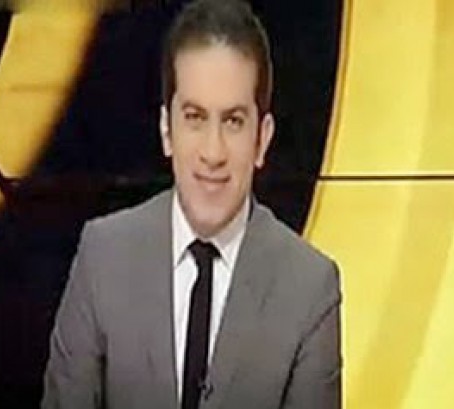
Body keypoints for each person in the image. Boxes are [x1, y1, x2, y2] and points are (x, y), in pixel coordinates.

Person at [41, 0, 342, 408]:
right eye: (195, 118)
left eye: (233, 121)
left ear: (262, 139)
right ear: (167, 129)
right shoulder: (103, 258)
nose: (212, 152)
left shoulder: (309, 288)